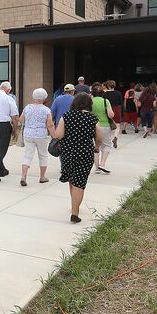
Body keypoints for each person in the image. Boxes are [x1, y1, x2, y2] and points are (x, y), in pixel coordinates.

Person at [54, 94, 102, 223]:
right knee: (79, 182)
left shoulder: (67, 116)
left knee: (71, 179)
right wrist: (97, 147)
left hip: (67, 152)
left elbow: (58, 135)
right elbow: (99, 137)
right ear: (89, 104)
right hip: (85, 153)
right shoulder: (92, 118)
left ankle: (73, 206)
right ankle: (75, 212)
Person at [19, 88, 56, 186]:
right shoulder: (47, 110)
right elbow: (50, 125)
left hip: (28, 134)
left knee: (27, 155)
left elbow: (21, 120)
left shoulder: (27, 108)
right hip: (41, 135)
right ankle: (42, 177)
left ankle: (23, 176)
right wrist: (54, 136)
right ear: (45, 98)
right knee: (43, 155)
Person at [91, 85, 115, 174]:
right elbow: (111, 115)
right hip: (104, 125)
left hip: (92, 125)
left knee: (95, 146)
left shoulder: (90, 101)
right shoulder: (106, 101)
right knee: (107, 145)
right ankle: (102, 164)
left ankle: (97, 168)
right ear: (102, 93)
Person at [103, 80, 123, 148]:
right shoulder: (118, 93)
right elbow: (121, 103)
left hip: (108, 109)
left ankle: (107, 140)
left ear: (108, 86)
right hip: (117, 109)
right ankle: (115, 137)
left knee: (108, 125)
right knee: (117, 125)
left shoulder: (104, 94)